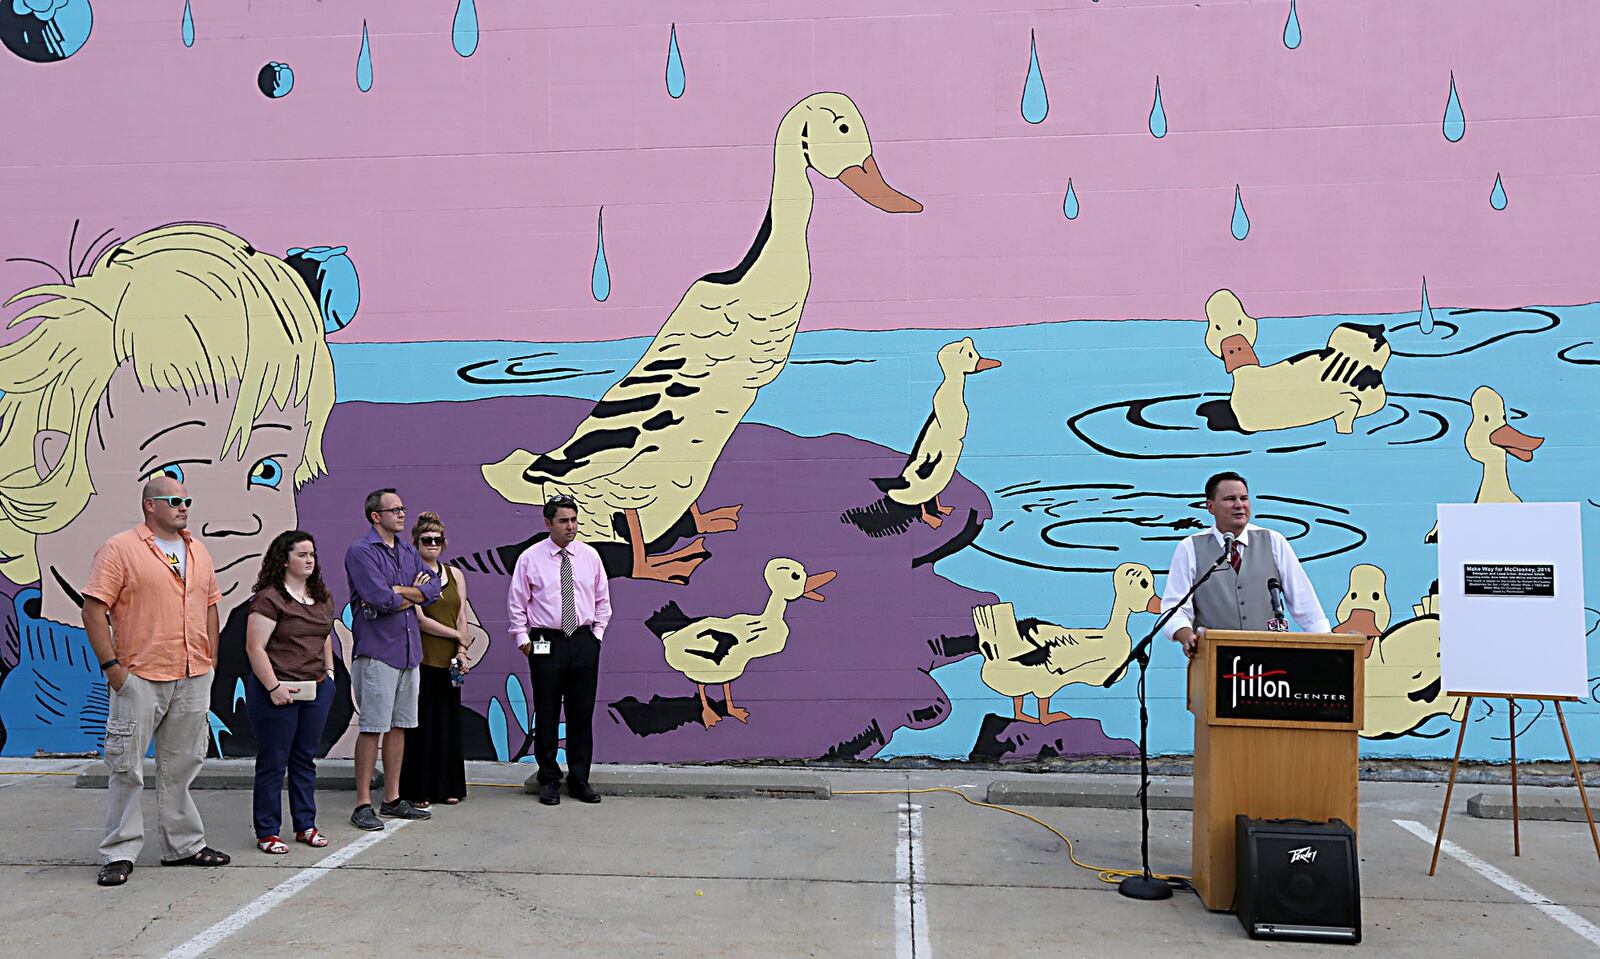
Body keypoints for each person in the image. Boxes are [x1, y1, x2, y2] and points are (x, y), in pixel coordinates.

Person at [0, 223, 345, 760]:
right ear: (53, 462)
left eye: (268, 470)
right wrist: (117, 671)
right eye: (177, 469)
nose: (240, 519)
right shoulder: (48, 703)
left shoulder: (238, 655)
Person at [83, 477, 230, 887]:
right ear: (150, 506)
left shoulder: (198, 550)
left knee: (183, 764)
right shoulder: (120, 548)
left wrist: (211, 659)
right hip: (140, 674)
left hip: (192, 671)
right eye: (175, 500)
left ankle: (184, 845)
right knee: (126, 765)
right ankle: (119, 851)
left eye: (188, 499)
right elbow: (94, 609)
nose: (184, 507)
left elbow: (211, 607)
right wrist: (112, 666)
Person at [344, 489, 440, 830]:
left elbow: (433, 590)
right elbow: (379, 599)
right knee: (372, 727)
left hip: (408, 651)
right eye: (395, 509)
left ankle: (393, 798)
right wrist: (404, 593)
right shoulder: (361, 552)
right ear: (376, 516)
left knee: (400, 726)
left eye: (402, 508)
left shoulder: (407, 551)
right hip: (378, 652)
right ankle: (363, 803)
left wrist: (400, 591)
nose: (402, 514)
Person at [507, 494, 612, 805]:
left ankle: (580, 778)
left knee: (581, 713)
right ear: (548, 523)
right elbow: (517, 602)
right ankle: (549, 778)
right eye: (564, 520)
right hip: (544, 641)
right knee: (548, 711)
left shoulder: (590, 556)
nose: (571, 526)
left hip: (582, 640)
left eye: (574, 520)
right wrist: (523, 641)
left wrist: (597, 636)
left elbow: (602, 600)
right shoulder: (530, 558)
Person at [1163, 471, 1331, 659]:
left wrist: (1330, 645)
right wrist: (1187, 636)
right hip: (1214, 662)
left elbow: (1305, 603)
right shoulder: (1190, 548)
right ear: (1210, 507)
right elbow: (1174, 609)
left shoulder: (1273, 541)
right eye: (1230, 499)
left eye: (1244, 498)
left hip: (1270, 663)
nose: (1239, 505)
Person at [244, 531, 337, 854]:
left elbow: (325, 635)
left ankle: (305, 825)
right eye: (301, 554)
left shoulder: (321, 595)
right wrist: (273, 687)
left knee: (305, 759)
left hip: (316, 690)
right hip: (277, 690)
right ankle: (268, 831)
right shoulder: (269, 598)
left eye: (312, 554)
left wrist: (330, 674)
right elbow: (255, 647)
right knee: (273, 761)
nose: (309, 560)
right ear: (284, 560)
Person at [401, 512, 471, 807]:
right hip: (422, 659)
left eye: (437, 540)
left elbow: (461, 614)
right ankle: (419, 788)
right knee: (422, 725)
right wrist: (455, 636)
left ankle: (447, 785)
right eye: (426, 540)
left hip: (449, 662)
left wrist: (462, 650)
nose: (432, 544)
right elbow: (419, 620)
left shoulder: (455, 574)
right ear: (416, 542)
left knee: (448, 724)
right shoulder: (412, 575)